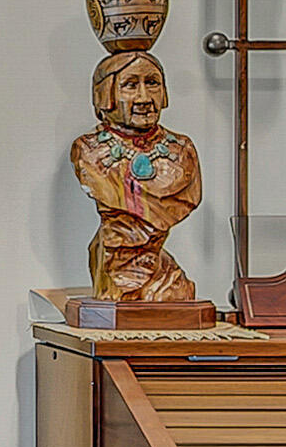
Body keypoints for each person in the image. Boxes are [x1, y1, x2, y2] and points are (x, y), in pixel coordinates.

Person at [70, 50, 202, 302]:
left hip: (161, 279)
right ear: (105, 95)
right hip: (114, 266)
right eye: (130, 85)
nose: (144, 98)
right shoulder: (88, 151)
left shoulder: (182, 150)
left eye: (152, 83)